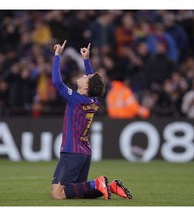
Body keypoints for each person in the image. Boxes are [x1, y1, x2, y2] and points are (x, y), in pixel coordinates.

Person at [51, 40, 132, 200]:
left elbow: (57, 83)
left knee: (58, 195)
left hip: (72, 151)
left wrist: (57, 56)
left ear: (86, 87)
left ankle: (97, 183)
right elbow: (95, 85)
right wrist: (86, 60)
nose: (83, 75)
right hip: (84, 152)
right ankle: (111, 187)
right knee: (77, 192)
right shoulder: (93, 101)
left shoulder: (76, 99)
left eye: (85, 77)